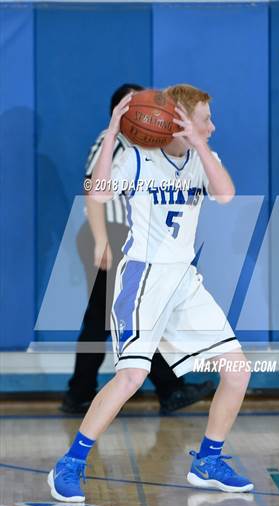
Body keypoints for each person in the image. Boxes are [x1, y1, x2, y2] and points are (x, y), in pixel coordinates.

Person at [48, 83, 254, 502]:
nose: (212, 127)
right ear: (176, 120)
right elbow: (98, 193)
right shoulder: (137, 159)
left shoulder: (202, 159)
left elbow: (227, 194)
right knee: (131, 376)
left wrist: (198, 144)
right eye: (205, 120)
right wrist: (111, 132)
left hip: (184, 280)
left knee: (238, 370)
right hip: (143, 279)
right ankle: (69, 464)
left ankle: (208, 460)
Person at [62, 83, 214, 416]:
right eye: (144, 103)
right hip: (113, 236)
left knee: (138, 315)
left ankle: (163, 388)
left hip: (136, 238)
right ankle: (83, 392)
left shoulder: (147, 143)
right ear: (127, 109)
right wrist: (102, 240)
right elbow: (93, 191)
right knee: (104, 318)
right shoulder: (111, 141)